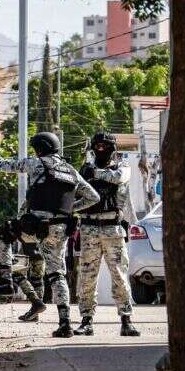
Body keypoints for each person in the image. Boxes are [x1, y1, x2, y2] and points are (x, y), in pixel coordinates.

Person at [0, 130, 100, 337]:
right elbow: (93, 197)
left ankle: (6, 281)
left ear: (41, 148)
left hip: (36, 227)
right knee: (56, 273)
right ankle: (65, 324)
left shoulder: (36, 163)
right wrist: (70, 209)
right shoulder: (70, 170)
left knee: (2, 234)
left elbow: (0, 164)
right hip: (61, 229)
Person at [74, 132, 140, 337]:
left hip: (113, 228)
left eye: (105, 146)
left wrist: (95, 174)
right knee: (87, 277)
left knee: (119, 275)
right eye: (98, 146)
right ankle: (86, 320)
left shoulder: (123, 167)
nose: (101, 149)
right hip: (89, 228)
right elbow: (75, 190)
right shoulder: (85, 170)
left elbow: (118, 178)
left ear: (112, 149)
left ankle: (126, 320)